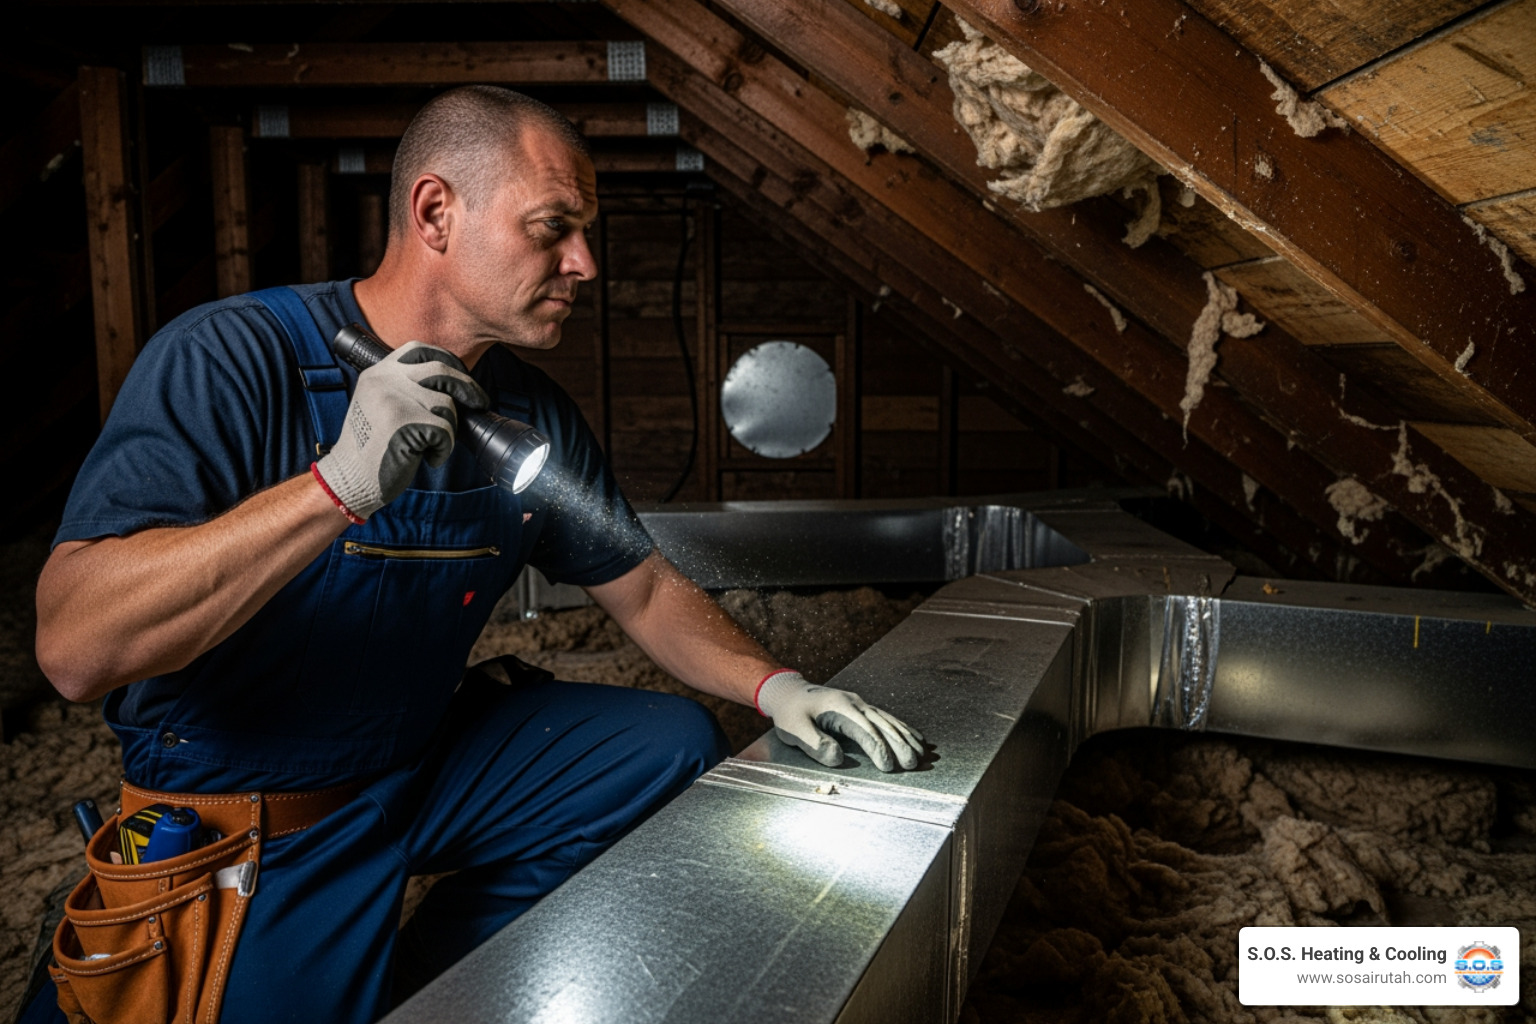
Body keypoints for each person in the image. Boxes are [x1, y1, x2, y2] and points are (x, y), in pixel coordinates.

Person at [29, 86, 923, 1024]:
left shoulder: (527, 412)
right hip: (253, 820)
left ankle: (439, 987)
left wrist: (778, 687)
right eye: (553, 228)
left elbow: (647, 589)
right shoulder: (229, 359)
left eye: (586, 233)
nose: (583, 263)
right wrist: (336, 488)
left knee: (663, 750)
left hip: (420, 768)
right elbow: (76, 651)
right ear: (434, 212)